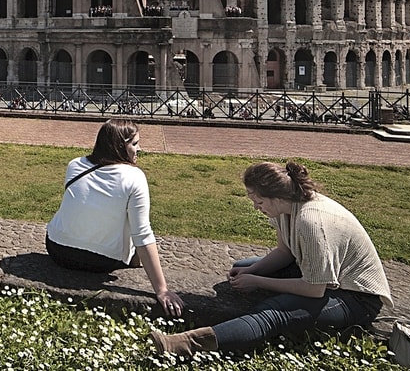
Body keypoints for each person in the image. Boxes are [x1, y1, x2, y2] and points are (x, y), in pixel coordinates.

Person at [150, 161, 392, 356]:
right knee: (242, 268)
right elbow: (284, 252)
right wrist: (252, 271)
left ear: (275, 196)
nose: (256, 207)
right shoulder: (285, 207)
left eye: (259, 201)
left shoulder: (312, 222)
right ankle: (267, 297)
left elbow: (314, 289)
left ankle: (185, 343)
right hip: (322, 277)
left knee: (273, 313)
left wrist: (259, 281)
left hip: (356, 297)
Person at [45, 119, 185, 317]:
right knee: (133, 220)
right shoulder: (134, 177)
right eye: (135, 144)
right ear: (120, 146)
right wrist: (162, 290)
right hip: (101, 261)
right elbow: (142, 235)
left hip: (57, 248)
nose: (139, 149)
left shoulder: (75, 164)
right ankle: (133, 260)